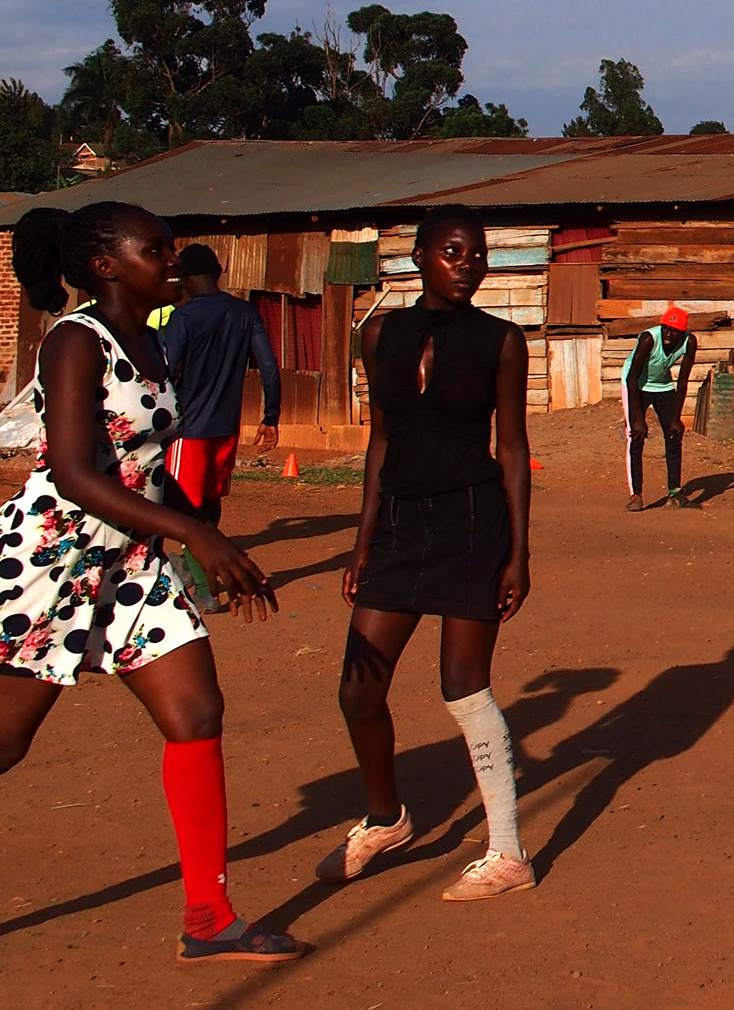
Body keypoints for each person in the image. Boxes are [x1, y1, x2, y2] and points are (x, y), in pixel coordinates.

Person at [0, 203, 304, 964]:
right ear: (105, 263)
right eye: (154, 246)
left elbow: (149, 467)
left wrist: (211, 540)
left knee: (197, 712)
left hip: (133, 563)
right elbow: (71, 471)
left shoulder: (157, 341)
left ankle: (209, 917)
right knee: (5, 741)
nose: (171, 256)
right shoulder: (76, 340)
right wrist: (196, 532)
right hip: (55, 559)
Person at [318, 206, 535, 901]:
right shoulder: (379, 333)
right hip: (400, 525)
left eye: (476, 251)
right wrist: (361, 543)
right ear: (418, 257)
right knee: (359, 686)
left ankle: (508, 852)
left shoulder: (502, 340)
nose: (468, 261)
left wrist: (519, 554)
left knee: (463, 685)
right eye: (452, 250)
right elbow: (380, 440)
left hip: (473, 522)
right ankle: (387, 818)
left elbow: (512, 448)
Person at [158, 243, 281, 608]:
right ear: (220, 271)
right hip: (226, 428)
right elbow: (269, 368)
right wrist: (270, 417)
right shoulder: (244, 313)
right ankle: (190, 567)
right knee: (209, 505)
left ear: (183, 278)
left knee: (185, 512)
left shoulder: (183, 317)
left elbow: (163, 371)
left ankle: (204, 587)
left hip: (188, 430)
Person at [622, 305, 697, 512]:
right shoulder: (648, 339)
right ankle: (636, 494)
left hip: (663, 385)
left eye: (674, 331)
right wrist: (638, 418)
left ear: (682, 332)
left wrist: (676, 417)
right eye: (665, 328)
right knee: (636, 435)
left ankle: (675, 493)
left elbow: (682, 381)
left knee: (674, 433)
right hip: (635, 385)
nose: (668, 334)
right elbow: (631, 378)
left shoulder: (689, 342)